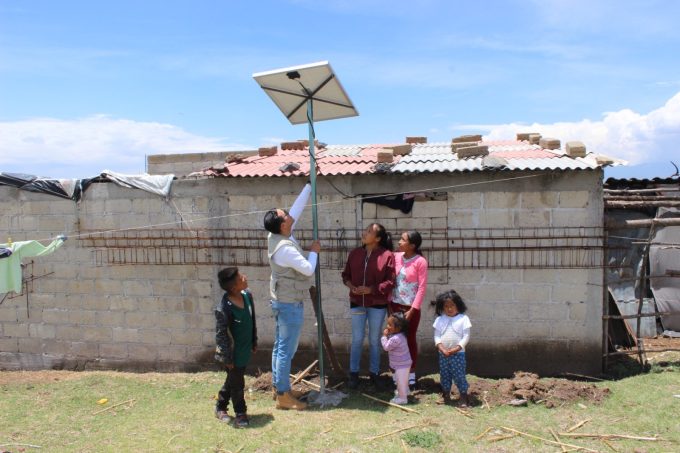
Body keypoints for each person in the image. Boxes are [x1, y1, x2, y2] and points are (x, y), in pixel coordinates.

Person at [264, 183, 320, 411]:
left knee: (281, 347)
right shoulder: (285, 248)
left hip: (282, 300)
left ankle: (280, 389)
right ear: (283, 224)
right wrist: (314, 251)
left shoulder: (276, 234)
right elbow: (308, 269)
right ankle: (283, 395)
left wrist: (308, 186)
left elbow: (295, 210)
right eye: (285, 215)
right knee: (286, 350)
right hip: (288, 304)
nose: (289, 214)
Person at [342, 223, 396, 389]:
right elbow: (345, 276)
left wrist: (371, 289)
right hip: (357, 302)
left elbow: (390, 282)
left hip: (377, 304)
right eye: (365, 230)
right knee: (357, 339)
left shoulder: (387, 255)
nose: (364, 233)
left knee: (374, 339)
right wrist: (352, 287)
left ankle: (374, 373)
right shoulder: (355, 253)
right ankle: (353, 374)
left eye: (369, 232)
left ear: (377, 238)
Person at [214, 267, 258, 427]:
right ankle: (240, 414)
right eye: (241, 278)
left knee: (232, 380)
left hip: (245, 349)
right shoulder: (224, 308)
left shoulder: (247, 295)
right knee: (237, 384)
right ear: (233, 288)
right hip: (233, 354)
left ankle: (220, 407)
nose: (245, 277)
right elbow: (221, 335)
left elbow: (251, 320)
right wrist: (227, 358)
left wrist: (254, 340)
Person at [390, 230, 428, 390]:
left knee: (409, 339)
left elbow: (422, 287)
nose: (399, 242)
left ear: (412, 245)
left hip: (410, 308)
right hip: (395, 305)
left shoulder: (420, 261)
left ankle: (411, 374)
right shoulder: (396, 257)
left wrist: (413, 310)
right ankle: (395, 374)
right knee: (394, 339)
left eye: (403, 240)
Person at [433, 290, 471, 407]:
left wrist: (457, 348)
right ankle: (446, 395)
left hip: (458, 354)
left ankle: (463, 396)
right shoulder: (440, 320)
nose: (449, 309)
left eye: (452, 305)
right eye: (446, 306)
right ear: (442, 307)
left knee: (459, 375)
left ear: (458, 305)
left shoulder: (463, 319)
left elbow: (466, 336)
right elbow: (437, 336)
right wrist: (441, 348)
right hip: (443, 354)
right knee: (445, 374)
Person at [381, 312, 411, 405]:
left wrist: (384, 337)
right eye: (388, 324)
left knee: (400, 381)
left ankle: (402, 398)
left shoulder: (396, 338)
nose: (387, 326)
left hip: (401, 365)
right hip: (404, 363)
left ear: (398, 327)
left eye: (390, 325)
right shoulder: (400, 335)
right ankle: (405, 391)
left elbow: (386, 347)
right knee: (403, 380)